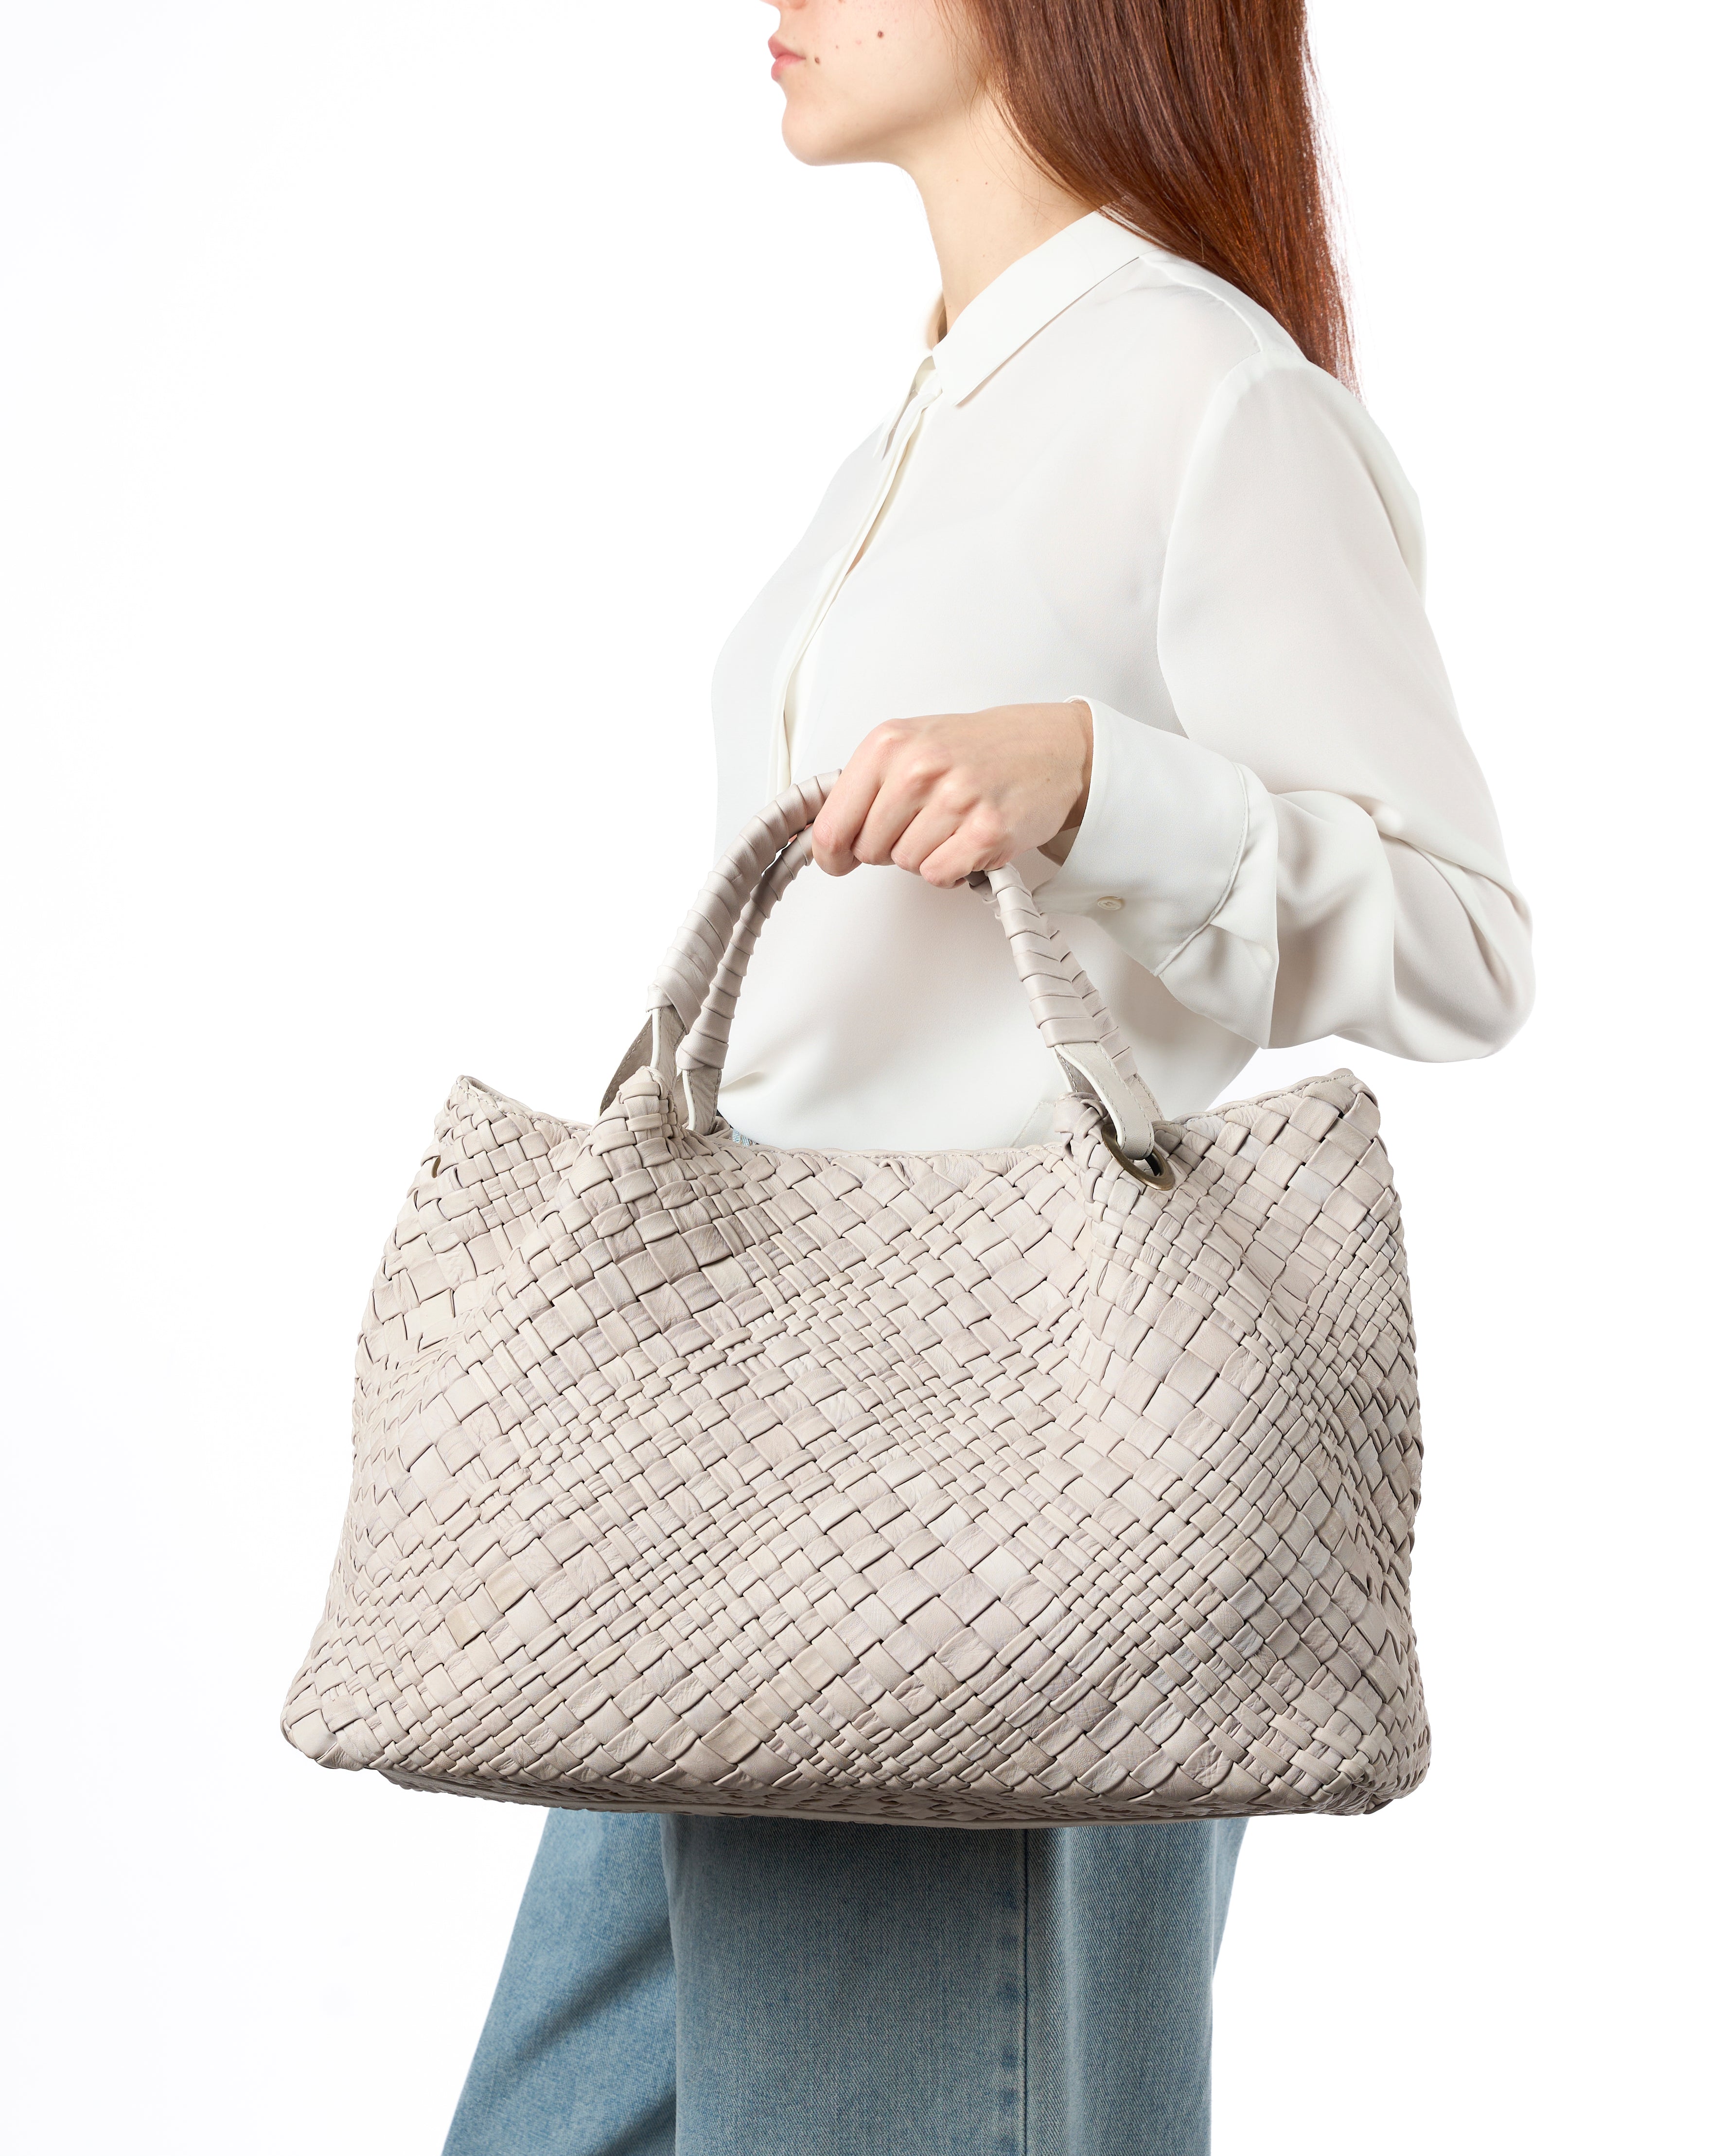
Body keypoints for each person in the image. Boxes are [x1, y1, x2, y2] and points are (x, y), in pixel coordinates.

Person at [442, 1, 1532, 2150]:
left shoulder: (1204, 393)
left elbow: (1459, 939)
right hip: (722, 1456)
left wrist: (1099, 781)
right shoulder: (929, 412)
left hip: (999, 1491)